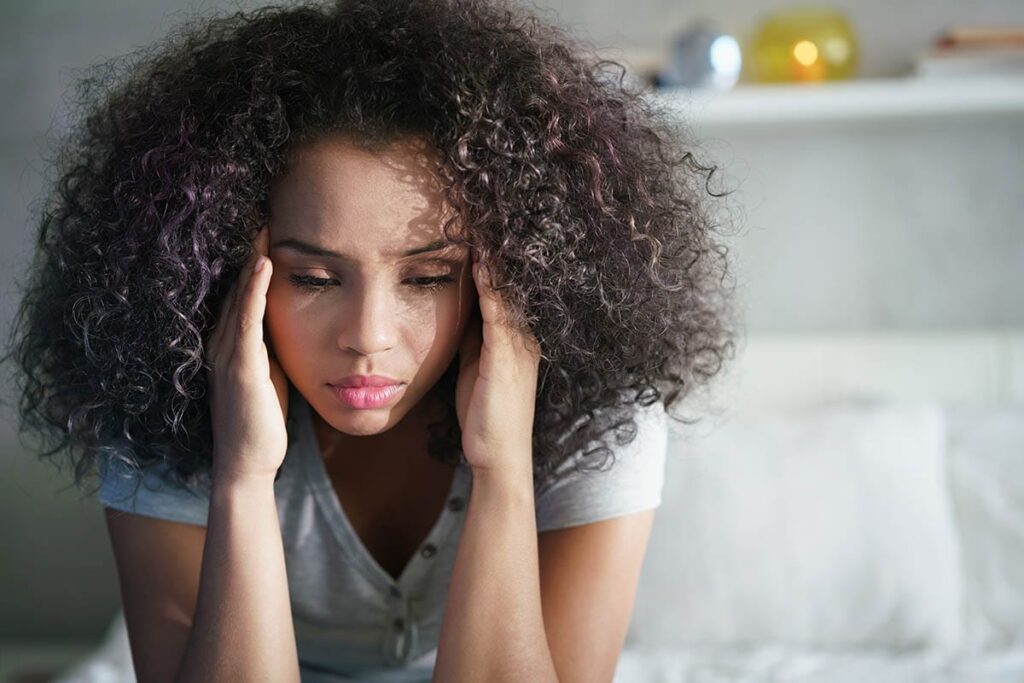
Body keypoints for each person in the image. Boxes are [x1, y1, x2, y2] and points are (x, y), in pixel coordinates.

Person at [4, 0, 737, 680]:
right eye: (316, 278)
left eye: (426, 279)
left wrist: (504, 469)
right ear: (222, 268)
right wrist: (241, 478)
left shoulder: (597, 414)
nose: (367, 338)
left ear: (511, 276)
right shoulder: (156, 402)